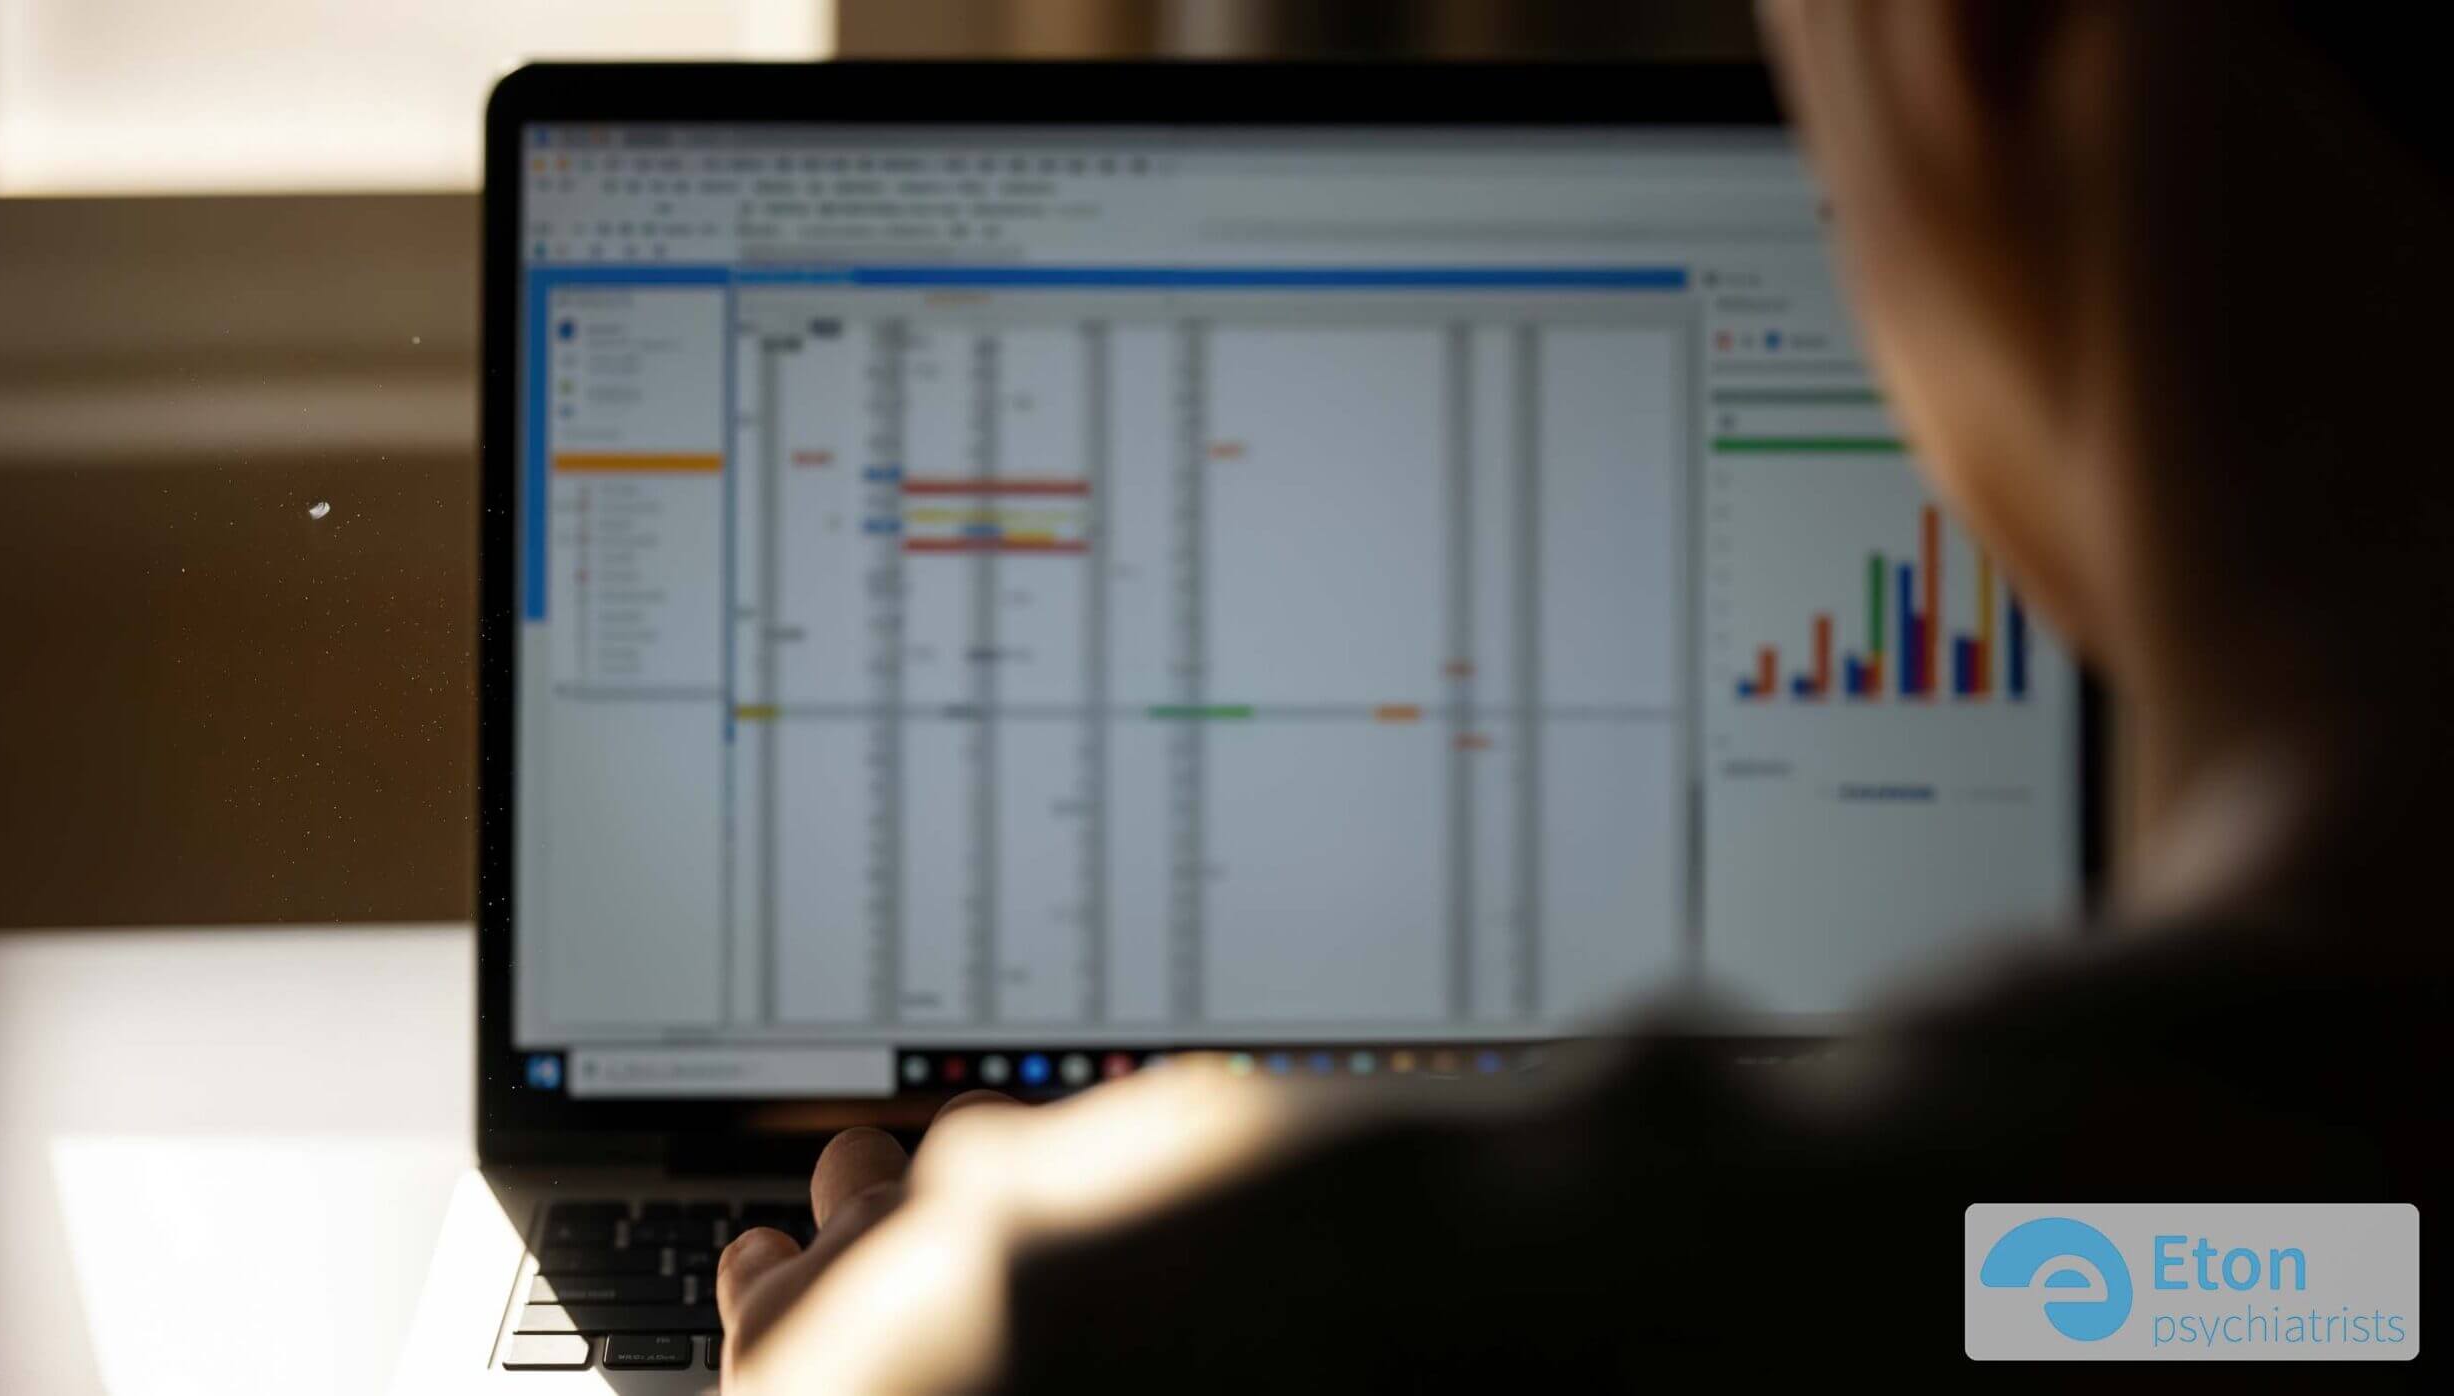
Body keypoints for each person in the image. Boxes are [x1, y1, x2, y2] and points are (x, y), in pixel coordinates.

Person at [712, 4, 2450, 1387]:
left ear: (1962, 47)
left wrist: (899, 1352)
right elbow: (2181, 1287)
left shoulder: (1094, 1324)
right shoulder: (2241, 1262)